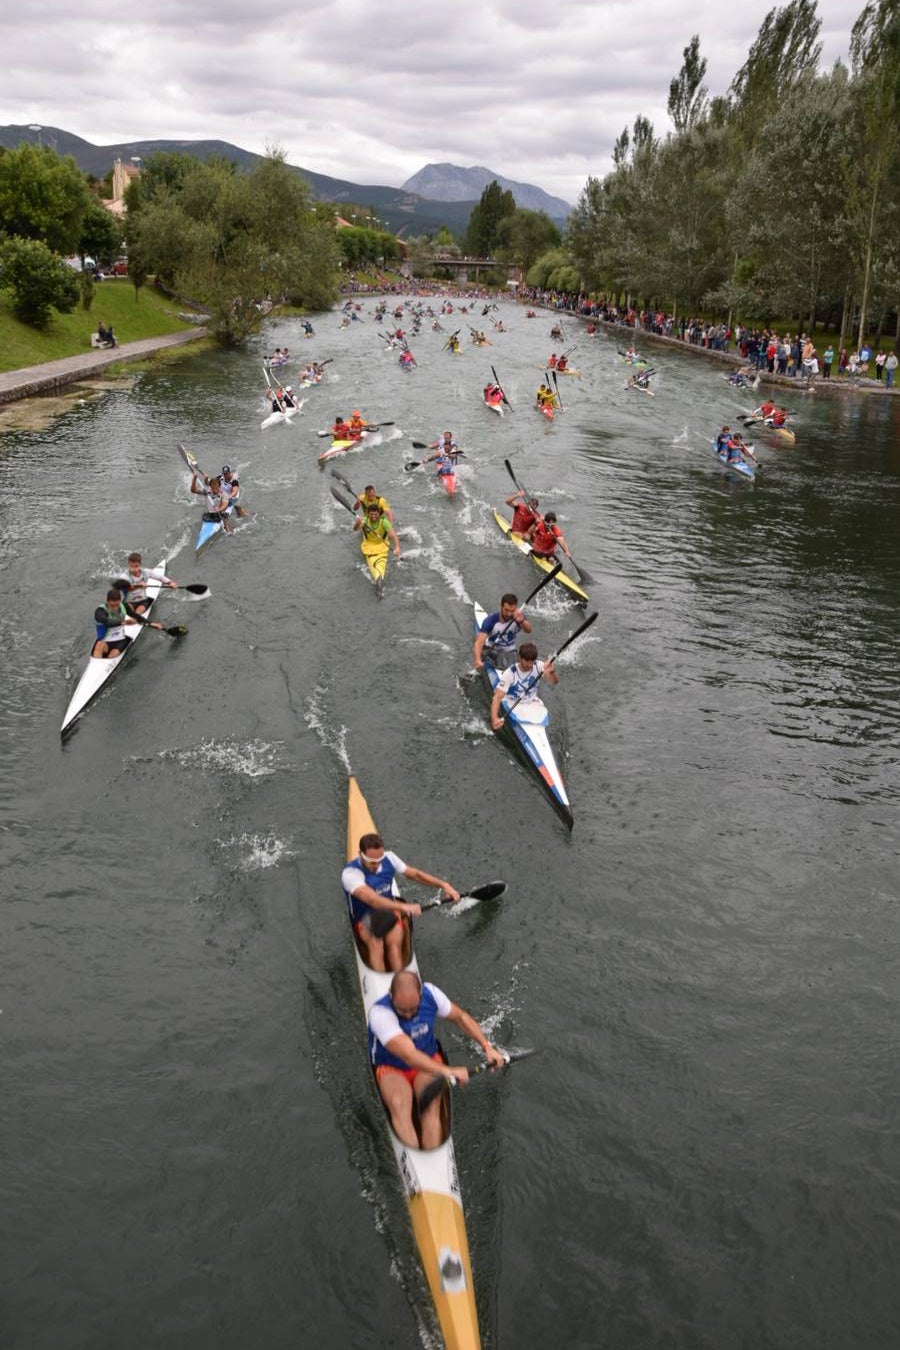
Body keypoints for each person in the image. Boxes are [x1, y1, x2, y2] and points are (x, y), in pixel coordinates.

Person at [368, 969, 506, 1148]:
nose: (409, 1015)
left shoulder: (432, 994)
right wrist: (449, 1071)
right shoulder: (380, 1013)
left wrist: (487, 1047)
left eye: (414, 1009)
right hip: (392, 1067)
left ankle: (430, 1162)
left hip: (428, 1060)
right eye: (402, 1010)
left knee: (431, 1109)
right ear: (390, 995)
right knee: (399, 1105)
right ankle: (412, 1155)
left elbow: (461, 1017)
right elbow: (409, 1055)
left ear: (420, 994)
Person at [342, 833, 458, 973]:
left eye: (380, 860)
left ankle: (402, 981)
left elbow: (415, 875)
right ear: (360, 854)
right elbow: (372, 899)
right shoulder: (351, 873)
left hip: (389, 913)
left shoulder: (389, 858)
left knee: (395, 946)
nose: (376, 865)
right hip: (364, 917)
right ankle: (382, 986)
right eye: (372, 861)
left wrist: (444, 885)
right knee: (376, 944)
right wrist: (403, 907)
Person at [489, 640, 559, 731]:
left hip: (531, 703)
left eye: (532, 661)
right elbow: (497, 698)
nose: (530, 665)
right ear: (520, 657)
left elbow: (555, 682)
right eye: (527, 661)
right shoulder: (510, 674)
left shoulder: (539, 666)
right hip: (512, 703)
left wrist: (552, 672)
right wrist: (494, 719)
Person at [91, 587, 164, 658]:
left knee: (112, 655)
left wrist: (151, 624)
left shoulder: (124, 606)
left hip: (120, 640)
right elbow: (107, 622)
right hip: (105, 641)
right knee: (99, 645)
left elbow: (136, 616)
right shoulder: (100, 611)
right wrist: (124, 622)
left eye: (117, 605)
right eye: (112, 605)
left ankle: (111, 658)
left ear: (120, 601)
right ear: (107, 602)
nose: (115, 608)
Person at [474, 593, 532, 671]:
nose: (509, 614)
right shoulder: (491, 621)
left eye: (512, 611)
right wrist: (478, 660)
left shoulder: (519, 617)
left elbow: (529, 630)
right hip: (492, 650)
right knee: (503, 662)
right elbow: (479, 643)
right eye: (506, 610)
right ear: (501, 606)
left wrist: (522, 621)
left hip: (510, 652)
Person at [114, 552, 178, 615]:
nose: (134, 569)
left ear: (140, 564)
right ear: (128, 565)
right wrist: (138, 585)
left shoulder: (145, 572)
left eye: (136, 566)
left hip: (143, 600)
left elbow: (160, 577)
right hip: (129, 601)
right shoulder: (124, 576)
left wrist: (170, 583)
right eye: (131, 566)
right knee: (126, 611)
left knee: (137, 613)